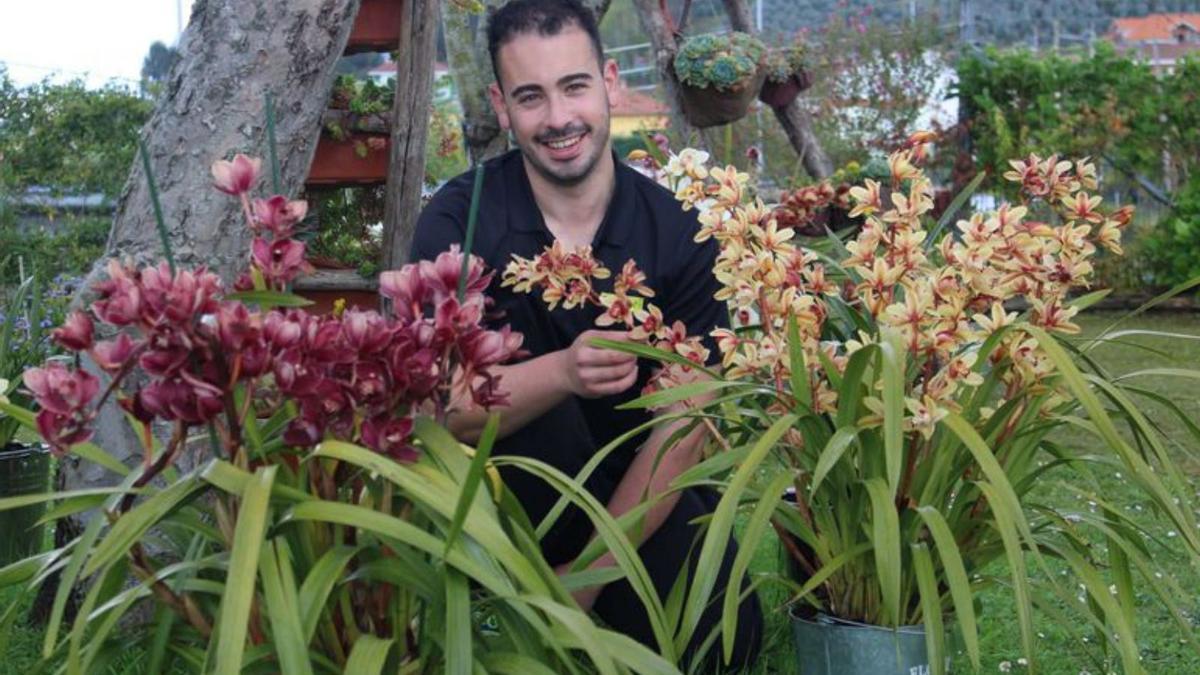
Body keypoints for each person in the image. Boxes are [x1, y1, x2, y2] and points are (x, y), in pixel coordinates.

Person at [408, 0, 762, 668]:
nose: (559, 119)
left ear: (607, 80)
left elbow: (686, 428)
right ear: (501, 104)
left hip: (645, 498)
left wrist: (589, 581)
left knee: (724, 636)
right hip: (510, 504)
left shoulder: (679, 233)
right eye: (531, 97)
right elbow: (442, 408)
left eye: (573, 86)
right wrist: (565, 370)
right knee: (546, 423)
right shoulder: (460, 219)